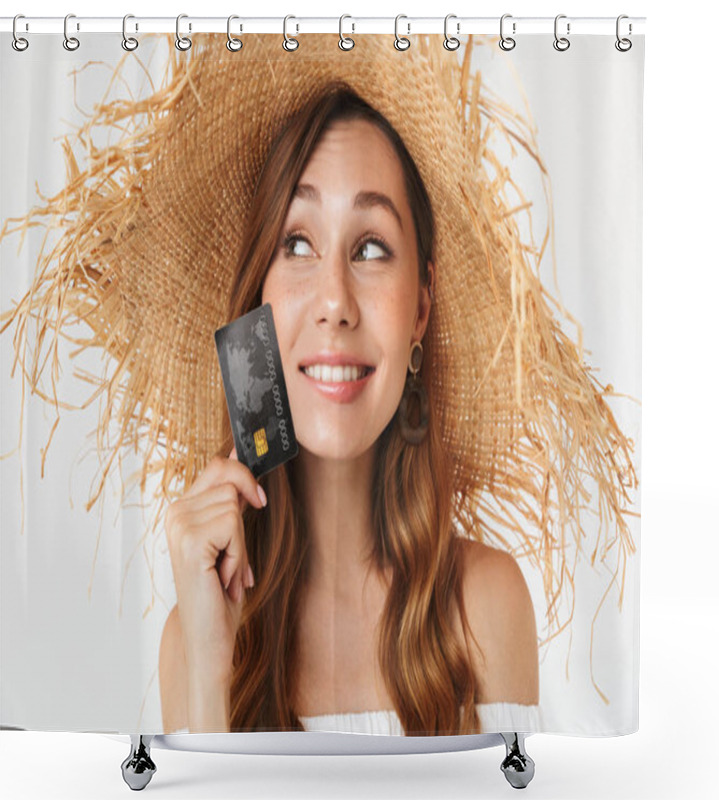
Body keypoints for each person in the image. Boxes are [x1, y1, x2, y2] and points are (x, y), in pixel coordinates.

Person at [0, 32, 637, 736]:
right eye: (297, 244)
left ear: (421, 304)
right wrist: (211, 669)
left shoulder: (484, 605)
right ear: (256, 310)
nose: (334, 299)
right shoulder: (193, 633)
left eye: (370, 247)